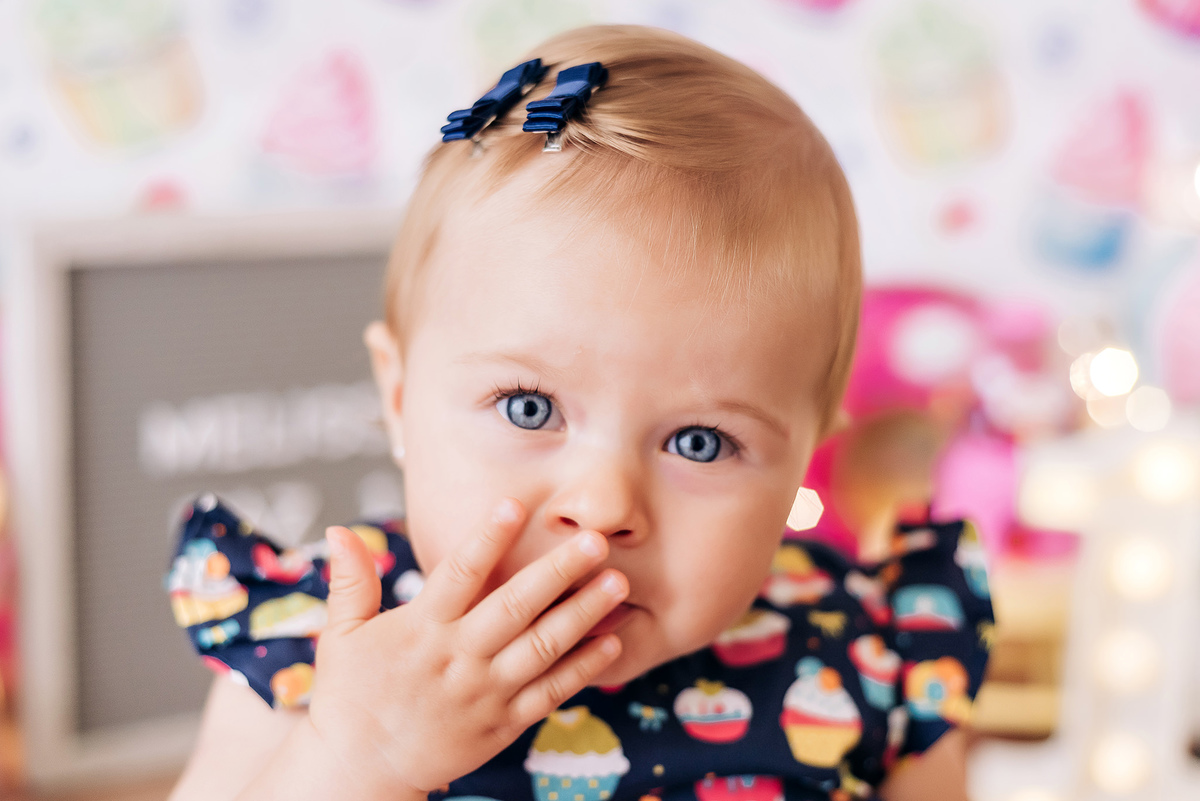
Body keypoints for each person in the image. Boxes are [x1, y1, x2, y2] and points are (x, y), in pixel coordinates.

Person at [166, 24, 992, 801]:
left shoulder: (865, 653)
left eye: (700, 442)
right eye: (530, 408)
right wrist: (358, 757)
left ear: (804, 459)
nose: (602, 506)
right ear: (400, 395)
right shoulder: (326, 644)